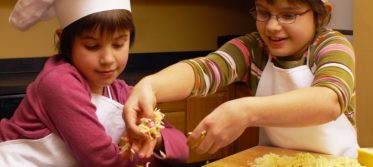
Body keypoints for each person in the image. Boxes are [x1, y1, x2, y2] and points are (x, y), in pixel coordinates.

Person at [123, 0, 359, 158]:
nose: (273, 27)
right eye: (264, 12)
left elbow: (328, 101)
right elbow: (204, 70)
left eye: (289, 15)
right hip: (275, 161)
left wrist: (245, 111)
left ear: (321, 15)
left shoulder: (332, 46)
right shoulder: (254, 48)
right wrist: (150, 85)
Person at [0, 0, 188, 166]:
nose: (107, 59)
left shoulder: (120, 92)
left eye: (118, 44)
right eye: (92, 46)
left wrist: (156, 141)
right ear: (64, 40)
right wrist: (148, 155)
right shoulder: (58, 82)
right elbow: (102, 161)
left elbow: (181, 147)